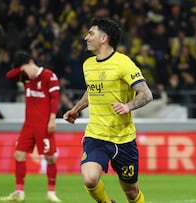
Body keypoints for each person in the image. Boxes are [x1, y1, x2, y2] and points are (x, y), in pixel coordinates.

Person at [63, 17, 153, 203]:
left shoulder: (123, 63)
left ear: (104, 38)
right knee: (90, 179)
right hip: (96, 135)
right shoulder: (88, 65)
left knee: (131, 192)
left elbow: (146, 94)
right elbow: (92, 90)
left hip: (123, 139)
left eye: (91, 33)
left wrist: (128, 106)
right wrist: (76, 109)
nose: (86, 37)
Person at [0, 51, 62, 202]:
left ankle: (51, 193)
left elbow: (55, 98)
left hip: (44, 124)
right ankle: (19, 192)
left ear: (32, 62)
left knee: (50, 158)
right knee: (18, 155)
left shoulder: (49, 75)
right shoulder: (24, 76)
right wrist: (23, 69)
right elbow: (8, 76)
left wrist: (52, 120)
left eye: (25, 67)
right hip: (28, 125)